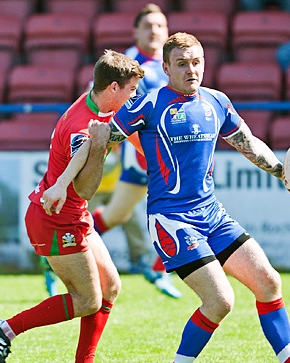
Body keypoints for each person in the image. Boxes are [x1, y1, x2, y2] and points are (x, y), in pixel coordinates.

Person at [94, 32, 290, 363]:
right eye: (181, 63)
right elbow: (102, 138)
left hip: (212, 215)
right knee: (220, 301)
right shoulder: (148, 104)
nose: (191, 69)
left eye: (196, 61)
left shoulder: (216, 101)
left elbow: (247, 141)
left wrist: (281, 171)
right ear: (165, 68)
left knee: (268, 282)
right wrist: (66, 182)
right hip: (171, 220)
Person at [0, 50, 145, 363]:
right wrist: (100, 148)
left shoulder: (96, 102)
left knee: (111, 287)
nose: (134, 96)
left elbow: (121, 125)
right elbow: (86, 187)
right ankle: (6, 329)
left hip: (72, 214)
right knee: (88, 300)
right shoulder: (81, 129)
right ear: (113, 87)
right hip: (55, 220)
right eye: (131, 90)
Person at [90, 2, 181, 298]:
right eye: (148, 26)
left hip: (169, 153)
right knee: (182, 208)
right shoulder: (127, 64)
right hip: (143, 154)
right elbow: (110, 106)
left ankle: (70, 238)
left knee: (116, 214)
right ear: (136, 32)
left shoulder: (173, 64)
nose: (154, 31)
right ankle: (64, 242)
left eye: (159, 26)